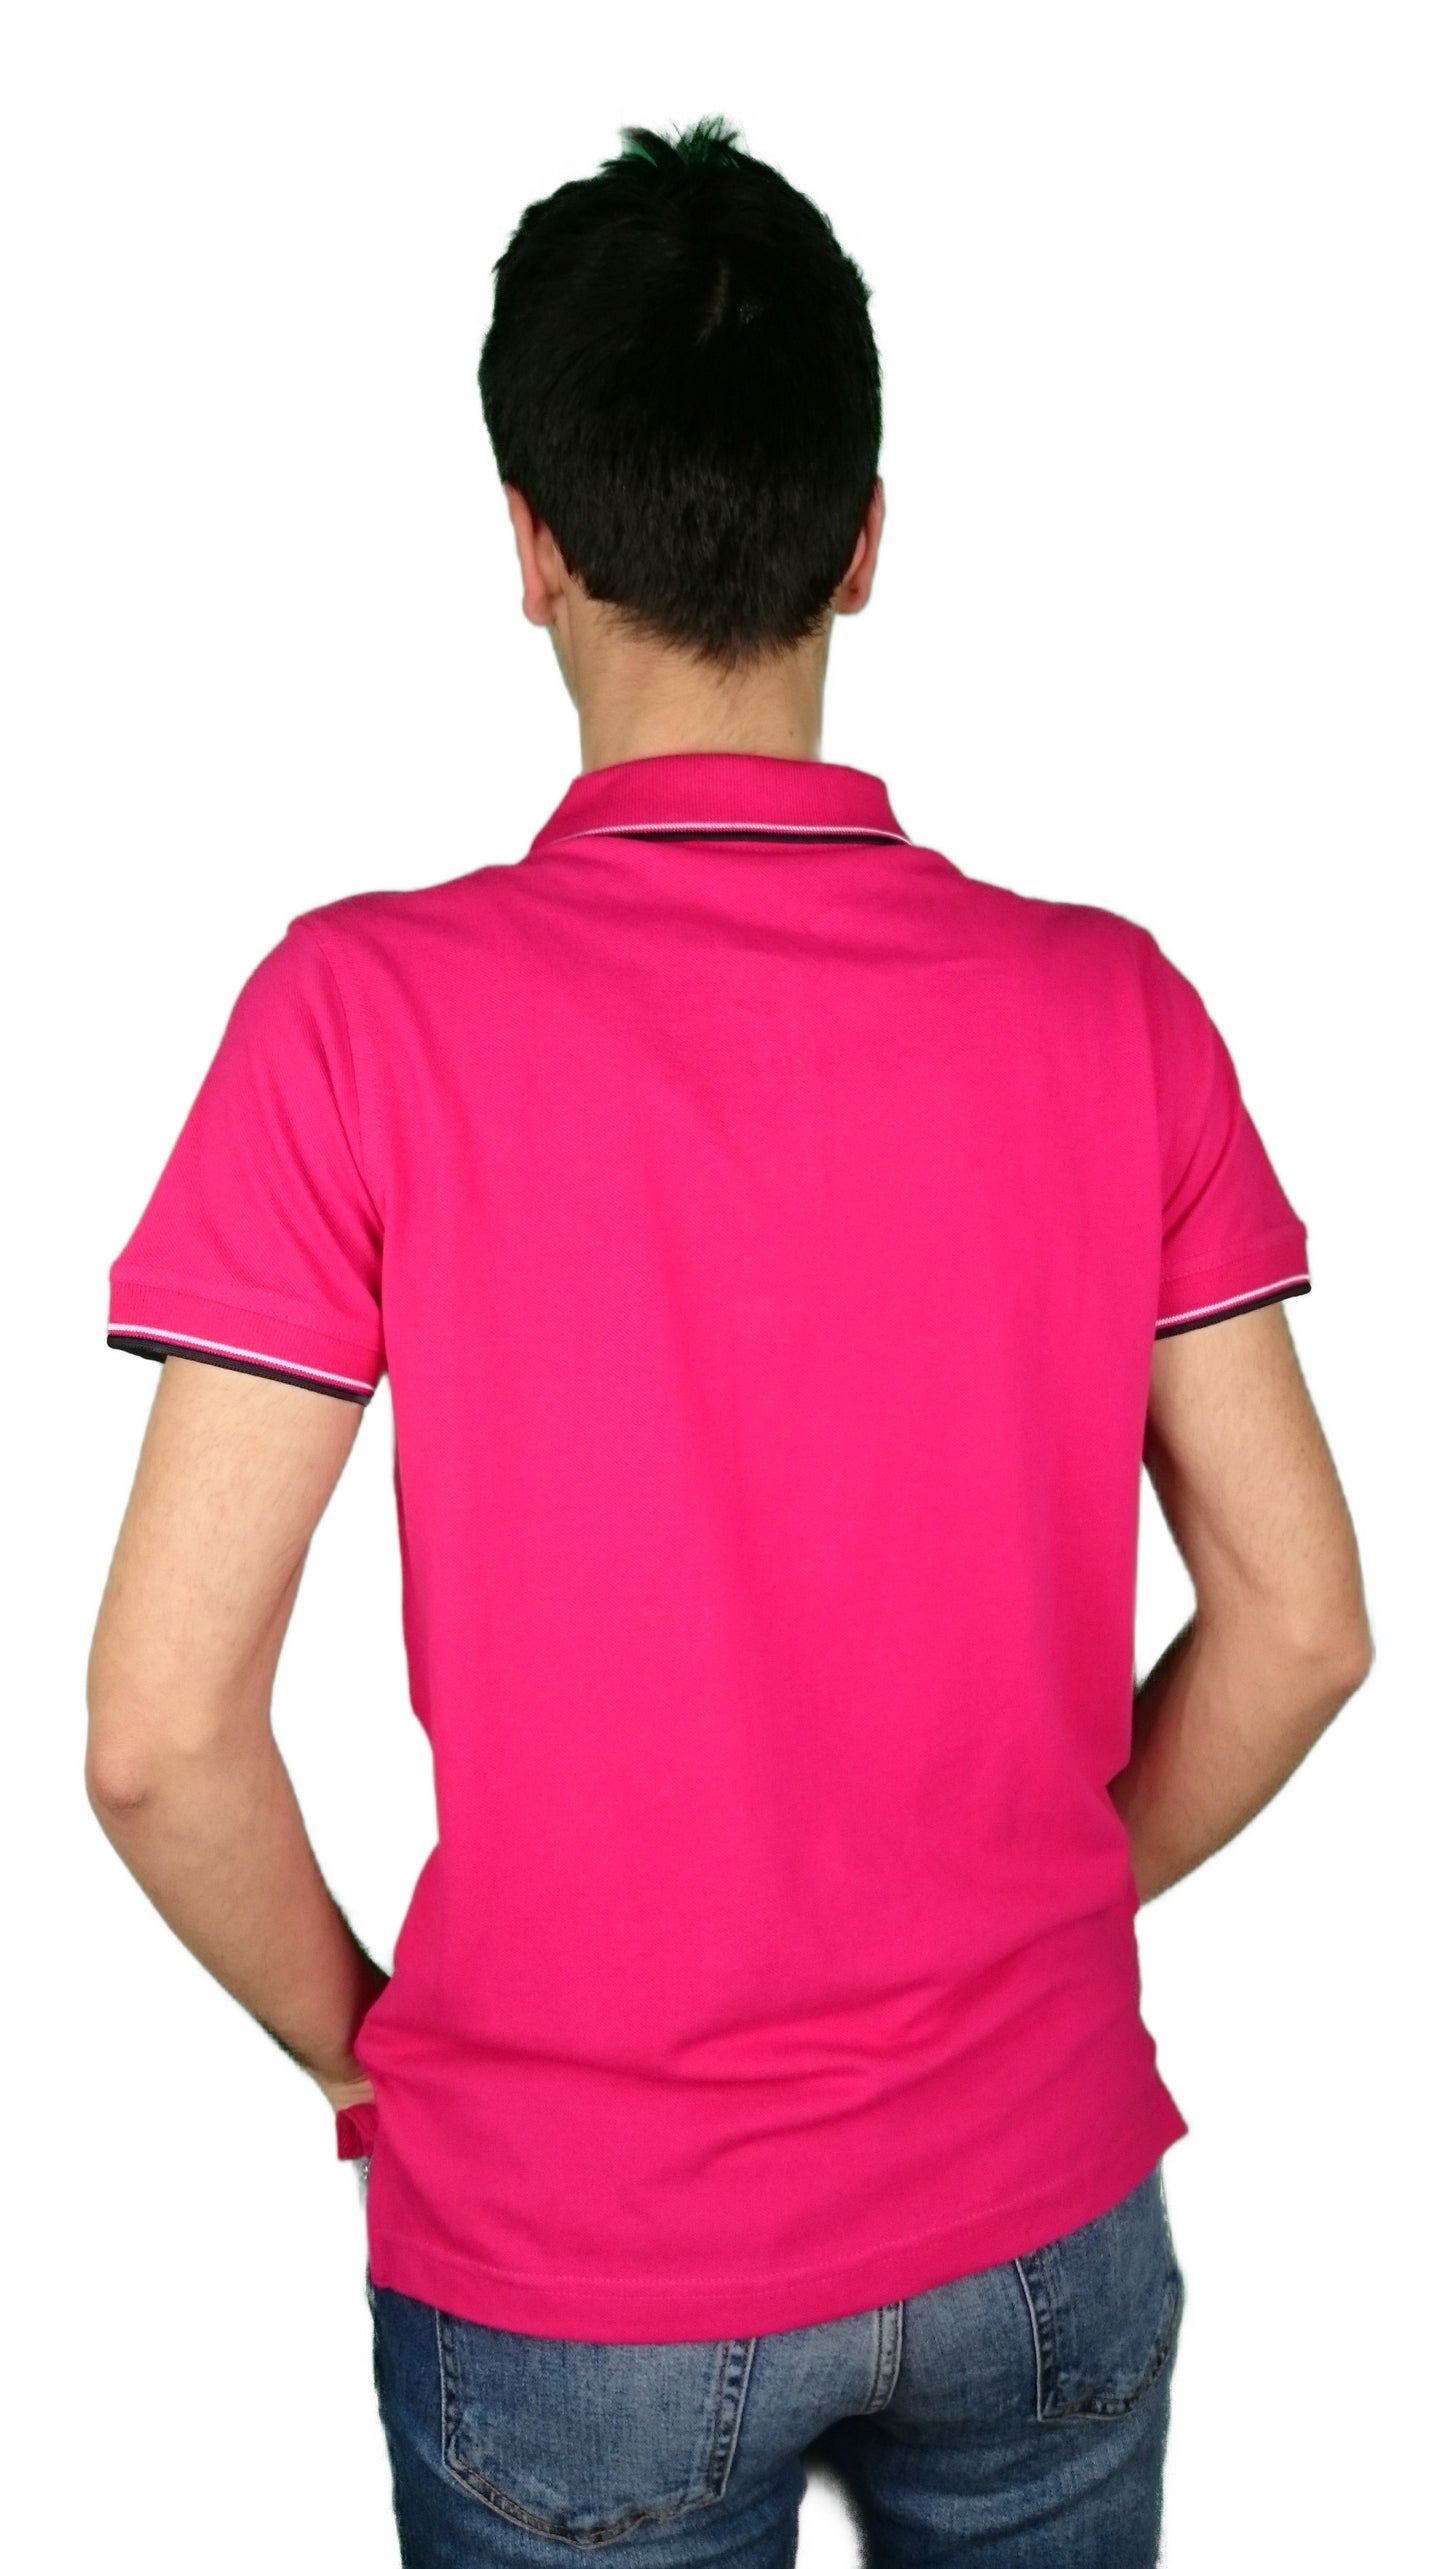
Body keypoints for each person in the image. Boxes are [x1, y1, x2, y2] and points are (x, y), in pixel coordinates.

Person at [86, 118, 1373, 2567]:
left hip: (572, 2258)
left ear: (529, 542)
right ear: (865, 539)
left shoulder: (356, 1018)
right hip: (1044, 2218)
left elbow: (158, 1737)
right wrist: (1039, 1923)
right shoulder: (1115, 1011)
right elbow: (1304, 1625)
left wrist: (370, 2053)